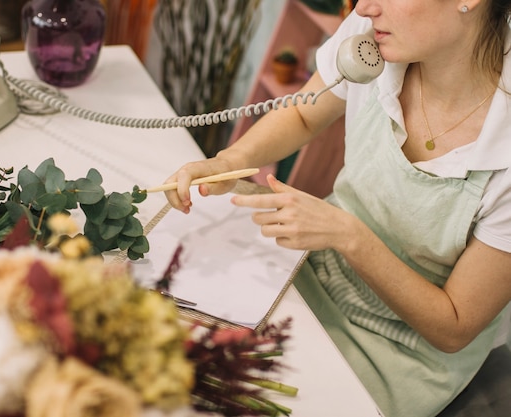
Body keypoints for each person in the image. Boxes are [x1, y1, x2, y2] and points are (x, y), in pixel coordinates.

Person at [161, 1, 511, 416]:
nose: (364, 6)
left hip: (399, 350)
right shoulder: (374, 34)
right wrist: (228, 162)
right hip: (313, 267)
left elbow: (453, 328)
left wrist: (349, 236)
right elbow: (304, 117)